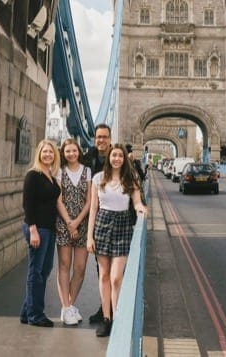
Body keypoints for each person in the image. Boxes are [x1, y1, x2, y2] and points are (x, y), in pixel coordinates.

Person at [87, 143, 148, 337]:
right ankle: (107, 319)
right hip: (102, 225)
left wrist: (140, 209)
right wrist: (89, 237)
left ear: (124, 159)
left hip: (123, 225)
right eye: (114, 155)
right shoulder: (98, 179)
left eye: (120, 156)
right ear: (109, 157)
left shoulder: (131, 178)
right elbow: (93, 209)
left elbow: (137, 202)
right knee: (103, 276)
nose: (116, 159)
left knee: (116, 278)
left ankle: (119, 318)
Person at [20, 139, 61, 327]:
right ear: (39, 154)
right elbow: (27, 205)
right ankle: (36, 315)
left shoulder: (51, 175)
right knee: (35, 272)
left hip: (49, 229)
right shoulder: (33, 175)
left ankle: (26, 312)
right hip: (37, 229)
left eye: (51, 152)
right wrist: (33, 230)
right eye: (44, 152)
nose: (48, 155)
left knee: (44, 270)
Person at [55, 138, 92, 326]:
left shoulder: (87, 171)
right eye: (67, 151)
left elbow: (89, 201)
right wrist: (70, 222)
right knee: (64, 265)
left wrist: (77, 222)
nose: (71, 154)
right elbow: (58, 200)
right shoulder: (59, 172)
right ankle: (66, 307)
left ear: (79, 151)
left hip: (83, 225)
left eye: (74, 151)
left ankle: (69, 306)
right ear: (63, 153)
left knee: (80, 268)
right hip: (64, 224)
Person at [81, 124, 112, 324]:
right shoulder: (87, 157)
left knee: (115, 273)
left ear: (110, 139)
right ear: (94, 139)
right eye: (98, 137)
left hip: (115, 220)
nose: (101, 140)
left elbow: (133, 179)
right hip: (96, 219)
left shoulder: (118, 157)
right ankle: (105, 310)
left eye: (104, 137)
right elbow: (69, 163)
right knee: (102, 270)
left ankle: (113, 311)